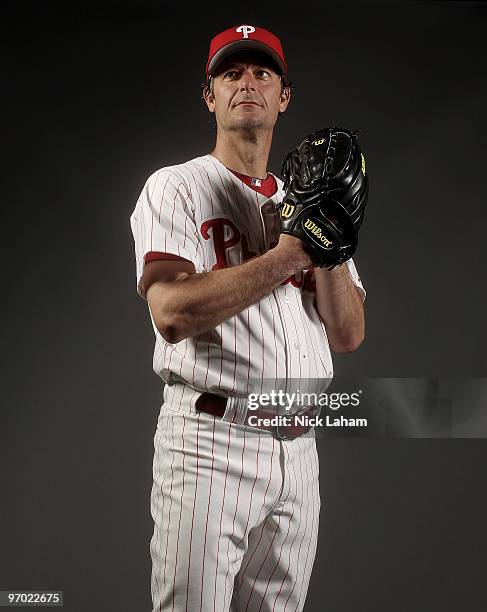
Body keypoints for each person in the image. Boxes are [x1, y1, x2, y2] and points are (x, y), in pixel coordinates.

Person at [130, 23, 366, 612]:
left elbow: (349, 333)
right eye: (230, 73)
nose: (247, 84)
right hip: (212, 444)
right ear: (210, 96)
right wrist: (290, 253)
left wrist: (330, 246)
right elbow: (172, 313)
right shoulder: (177, 187)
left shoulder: (307, 196)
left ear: (284, 96)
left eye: (262, 72)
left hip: (299, 451)